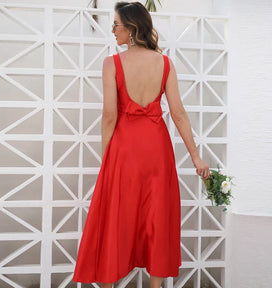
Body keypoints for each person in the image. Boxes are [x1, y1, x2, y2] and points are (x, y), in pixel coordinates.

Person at [73, 2, 209, 288]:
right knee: (156, 217)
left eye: (116, 25)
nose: (112, 30)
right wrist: (196, 158)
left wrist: (106, 157)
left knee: (116, 218)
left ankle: (109, 281)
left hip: (125, 150)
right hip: (157, 150)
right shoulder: (165, 63)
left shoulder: (112, 63)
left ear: (132, 28)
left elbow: (110, 115)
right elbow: (179, 113)